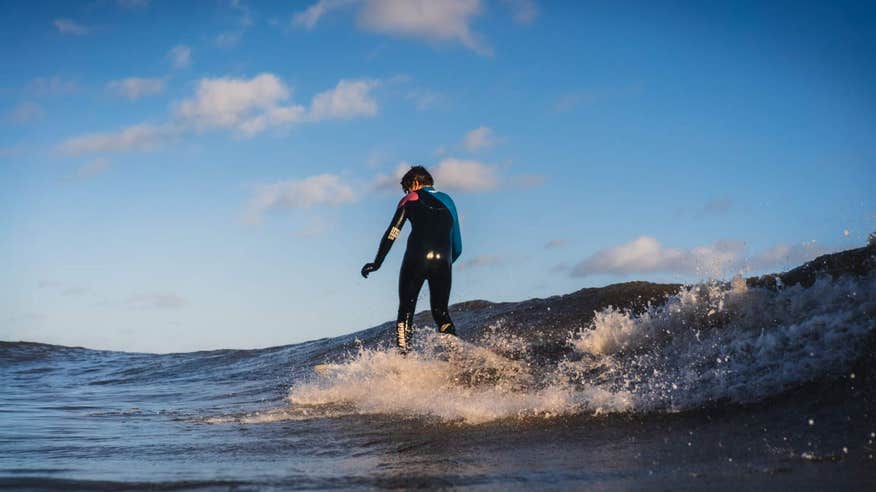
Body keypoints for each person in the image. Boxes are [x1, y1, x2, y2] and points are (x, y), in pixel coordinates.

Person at [361, 165, 462, 353]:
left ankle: (403, 359)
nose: (407, 192)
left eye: (408, 188)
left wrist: (377, 263)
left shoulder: (410, 198)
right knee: (441, 313)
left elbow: (392, 232)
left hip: (417, 257)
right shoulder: (448, 200)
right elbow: (458, 246)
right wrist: (444, 265)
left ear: (415, 184)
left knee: (406, 310)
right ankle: (457, 357)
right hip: (443, 260)